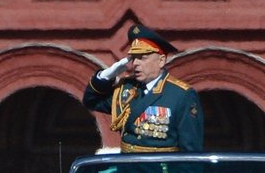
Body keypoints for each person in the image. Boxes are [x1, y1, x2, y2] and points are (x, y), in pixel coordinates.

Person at [82, 24, 204, 154]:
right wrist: (105, 76)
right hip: (127, 171)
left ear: (161, 60)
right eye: (134, 58)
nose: (135, 63)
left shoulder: (181, 95)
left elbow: (191, 151)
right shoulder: (126, 89)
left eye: (142, 58)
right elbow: (91, 101)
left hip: (158, 172)